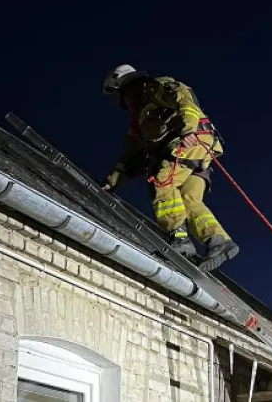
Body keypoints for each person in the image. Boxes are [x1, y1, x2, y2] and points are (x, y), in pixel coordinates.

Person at [101, 64, 240, 272]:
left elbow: (185, 102)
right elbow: (130, 159)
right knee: (189, 199)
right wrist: (110, 183)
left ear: (127, 85)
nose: (126, 102)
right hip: (199, 152)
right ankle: (219, 242)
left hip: (188, 142)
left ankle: (179, 240)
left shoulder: (156, 87)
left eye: (123, 96)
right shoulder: (139, 123)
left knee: (162, 182)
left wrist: (187, 130)